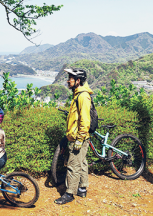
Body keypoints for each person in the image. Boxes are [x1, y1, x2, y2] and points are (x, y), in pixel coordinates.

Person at [55, 68, 93, 205]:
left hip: (78, 138)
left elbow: (85, 120)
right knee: (81, 162)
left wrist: (80, 138)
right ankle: (82, 187)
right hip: (77, 137)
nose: (68, 80)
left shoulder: (83, 96)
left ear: (78, 80)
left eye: (70, 78)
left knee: (72, 166)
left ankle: (69, 193)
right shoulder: (78, 94)